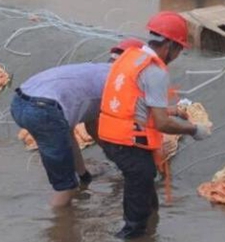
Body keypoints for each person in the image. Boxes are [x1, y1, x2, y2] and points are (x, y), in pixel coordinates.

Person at [97, 12, 212, 239]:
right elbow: (162, 123)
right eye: (179, 49)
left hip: (108, 133)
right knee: (139, 182)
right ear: (169, 45)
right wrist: (194, 130)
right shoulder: (155, 72)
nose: (177, 55)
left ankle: (151, 218)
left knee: (144, 178)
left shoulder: (130, 56)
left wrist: (174, 110)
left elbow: (136, 103)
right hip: (128, 140)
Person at [10, 38, 144, 208]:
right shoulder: (120, 81)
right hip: (44, 110)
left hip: (19, 102)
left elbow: (89, 124)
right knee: (66, 188)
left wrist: (86, 174)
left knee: (66, 132)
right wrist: (126, 164)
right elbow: (97, 130)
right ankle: (59, 229)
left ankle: (82, 176)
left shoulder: (94, 70)